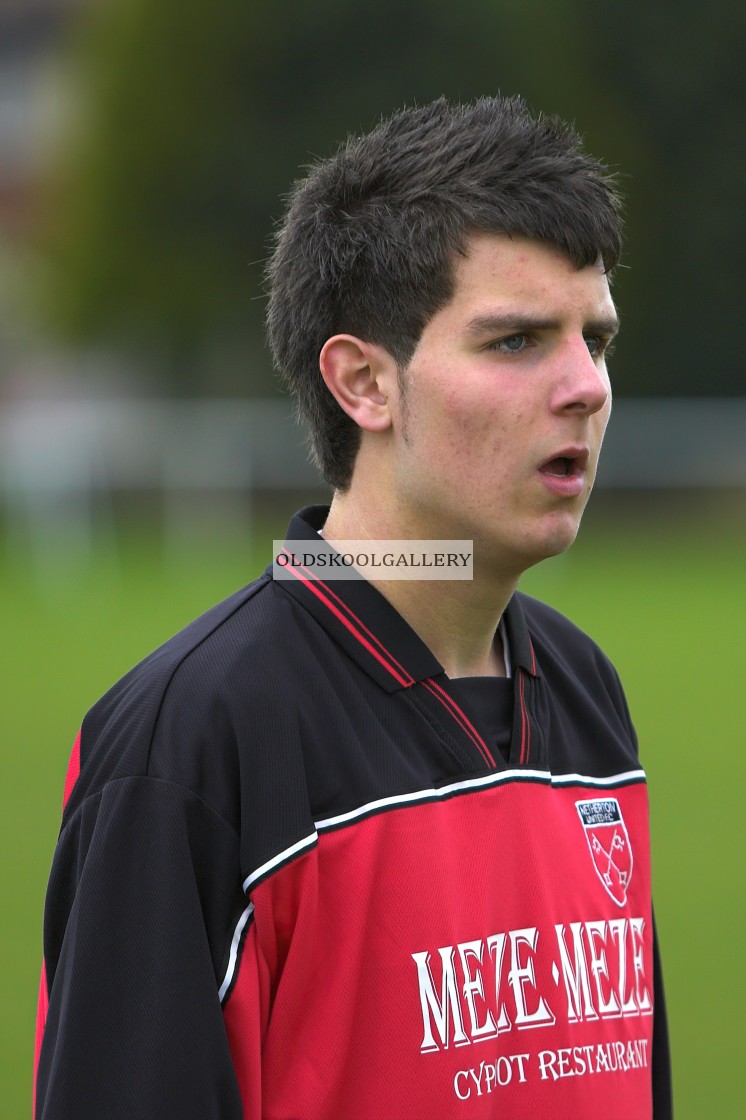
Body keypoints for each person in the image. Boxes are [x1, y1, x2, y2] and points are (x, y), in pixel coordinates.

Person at [35, 96, 672, 1119]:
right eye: (514, 341)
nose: (584, 386)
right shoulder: (187, 741)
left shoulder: (587, 692)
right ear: (363, 382)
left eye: (591, 339)